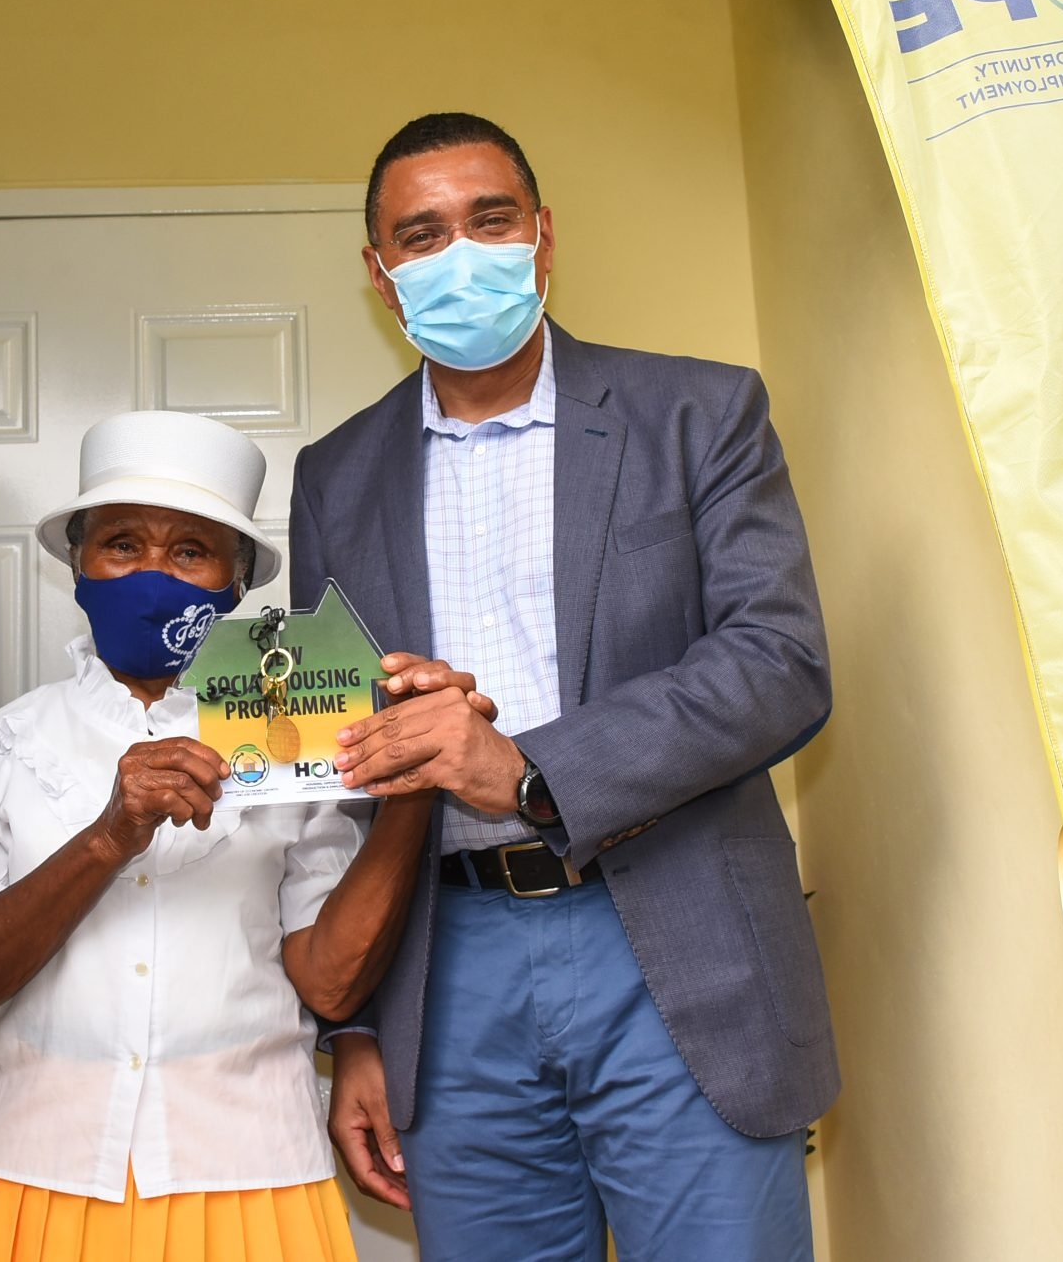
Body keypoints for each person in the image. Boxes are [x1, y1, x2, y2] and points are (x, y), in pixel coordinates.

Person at [291, 113, 836, 1262]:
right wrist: (353, 1030)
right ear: (378, 274)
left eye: (489, 221)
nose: (461, 254)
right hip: (448, 971)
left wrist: (531, 769)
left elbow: (775, 662)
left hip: (674, 934)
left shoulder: (696, 413)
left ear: (541, 237)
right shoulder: (334, 477)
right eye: (421, 234)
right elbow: (339, 762)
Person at [0, 410, 439, 1262]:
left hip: (253, 1179)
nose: (153, 575)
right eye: (122, 544)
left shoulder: (301, 752)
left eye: (189, 552)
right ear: (78, 564)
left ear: (236, 578)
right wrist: (108, 835)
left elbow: (329, 983)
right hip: (40, 1182)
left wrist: (409, 788)